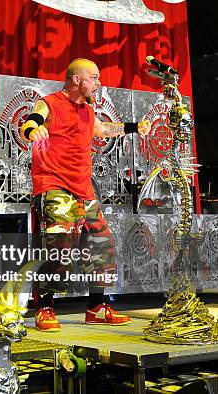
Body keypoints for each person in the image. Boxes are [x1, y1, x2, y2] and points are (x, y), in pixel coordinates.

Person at [19, 58, 151, 332]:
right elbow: (28, 123)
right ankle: (44, 308)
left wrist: (135, 127)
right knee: (59, 247)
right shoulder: (50, 102)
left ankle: (96, 307)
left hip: (84, 190)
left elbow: (103, 130)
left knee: (102, 244)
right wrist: (34, 130)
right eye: (94, 77)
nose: (99, 82)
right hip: (55, 185)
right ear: (76, 79)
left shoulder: (88, 111)